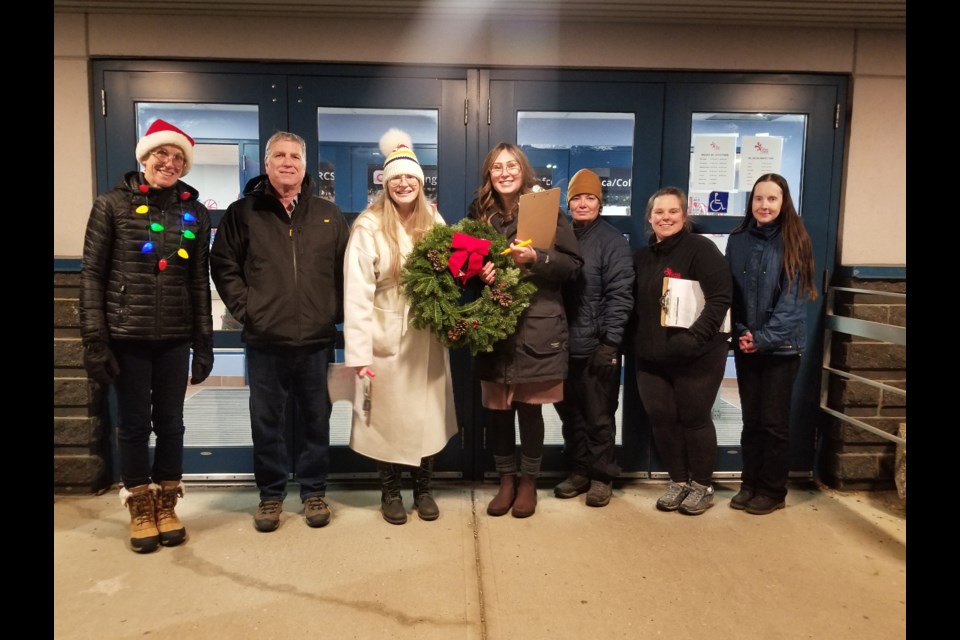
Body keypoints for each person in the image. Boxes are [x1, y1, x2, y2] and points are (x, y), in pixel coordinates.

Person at [80, 119, 213, 553]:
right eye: (162, 154)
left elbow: (198, 283)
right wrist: (95, 341)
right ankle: (140, 506)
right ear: (145, 156)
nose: (169, 163)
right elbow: (93, 276)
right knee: (134, 424)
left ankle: (168, 503)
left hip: (174, 336)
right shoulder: (111, 205)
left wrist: (203, 343)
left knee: (171, 423)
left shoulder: (195, 212)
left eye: (178, 158)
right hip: (126, 335)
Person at [210, 131, 349, 532]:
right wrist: (248, 309)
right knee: (266, 421)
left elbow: (346, 271)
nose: (288, 163)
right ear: (266, 163)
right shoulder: (243, 213)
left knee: (315, 419)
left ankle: (313, 491)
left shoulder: (327, 215)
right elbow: (224, 267)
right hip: (265, 342)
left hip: (317, 342)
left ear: (305, 166)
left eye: (295, 157)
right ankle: (271, 496)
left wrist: (332, 313)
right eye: (279, 156)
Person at [343, 129, 458, 525]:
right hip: (384, 334)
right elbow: (356, 295)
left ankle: (423, 488)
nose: (404, 183)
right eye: (396, 178)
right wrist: (358, 355)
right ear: (385, 183)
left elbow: (451, 274)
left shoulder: (436, 221)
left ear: (420, 183)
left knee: (427, 414)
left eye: (411, 177)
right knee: (386, 418)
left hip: (427, 336)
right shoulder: (368, 226)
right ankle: (390, 491)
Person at [468, 143, 583, 518]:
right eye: (497, 166)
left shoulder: (545, 209)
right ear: (489, 173)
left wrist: (537, 257)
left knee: (530, 411)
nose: (504, 172)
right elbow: (464, 263)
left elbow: (572, 266)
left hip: (536, 324)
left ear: (523, 170)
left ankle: (529, 482)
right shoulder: (478, 215)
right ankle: (505, 480)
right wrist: (479, 274)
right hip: (495, 327)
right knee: (498, 410)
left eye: (511, 165)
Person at [628, 187, 731, 516]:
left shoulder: (701, 250)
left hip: (696, 356)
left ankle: (702, 485)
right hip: (651, 359)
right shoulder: (642, 257)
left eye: (673, 211)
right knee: (662, 420)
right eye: (659, 212)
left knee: (694, 420)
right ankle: (678, 480)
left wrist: (694, 339)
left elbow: (721, 298)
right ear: (649, 218)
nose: (665, 217)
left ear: (684, 216)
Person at [725, 173, 817, 515]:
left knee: (773, 423)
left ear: (783, 202)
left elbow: (793, 303)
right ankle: (749, 483)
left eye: (772, 199)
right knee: (751, 420)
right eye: (758, 199)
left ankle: (773, 490)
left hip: (781, 349)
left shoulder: (796, 240)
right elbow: (732, 292)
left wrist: (761, 339)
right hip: (748, 344)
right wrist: (743, 333)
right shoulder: (738, 240)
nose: (764, 205)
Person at [553, 169, 634, 508]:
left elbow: (621, 294)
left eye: (590, 198)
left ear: (600, 203)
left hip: (597, 347)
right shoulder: (559, 236)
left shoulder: (612, 241)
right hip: (560, 345)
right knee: (569, 415)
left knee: (599, 416)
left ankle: (602, 476)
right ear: (568, 202)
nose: (583, 203)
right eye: (577, 198)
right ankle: (580, 471)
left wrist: (610, 343)